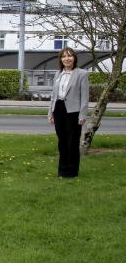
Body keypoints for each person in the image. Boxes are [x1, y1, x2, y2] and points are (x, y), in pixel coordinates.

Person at [48, 47, 89, 178]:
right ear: (61, 59)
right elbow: (54, 95)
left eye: (70, 56)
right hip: (59, 108)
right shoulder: (58, 74)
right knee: (62, 141)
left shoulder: (82, 74)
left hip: (73, 111)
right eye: (64, 56)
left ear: (74, 58)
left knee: (72, 141)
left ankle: (72, 171)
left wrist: (82, 115)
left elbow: (85, 97)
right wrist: (50, 113)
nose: (67, 58)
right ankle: (62, 170)